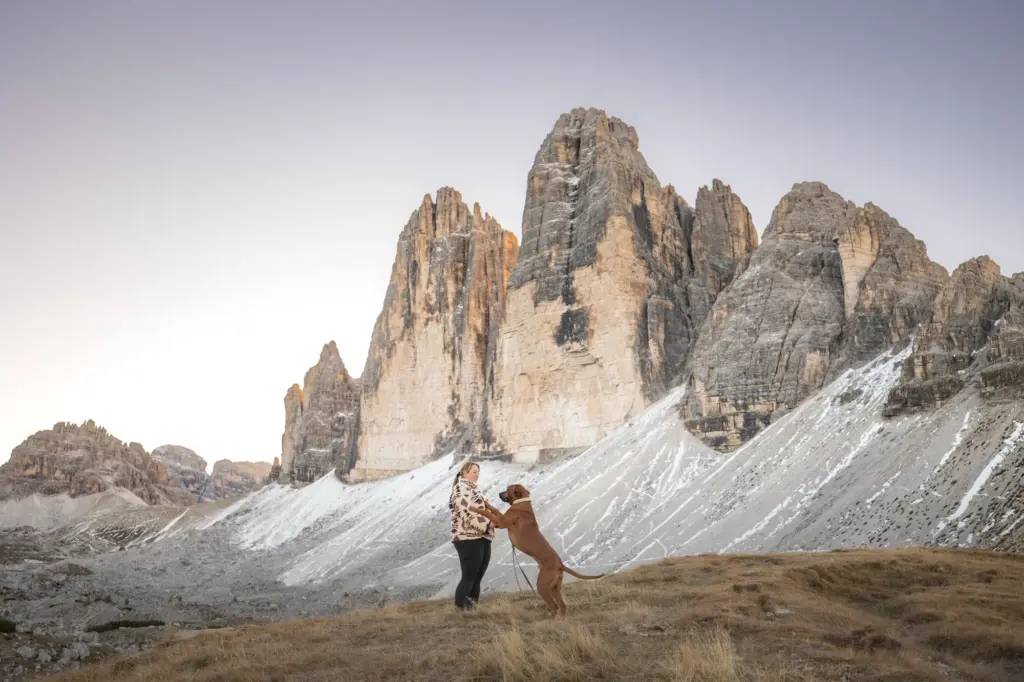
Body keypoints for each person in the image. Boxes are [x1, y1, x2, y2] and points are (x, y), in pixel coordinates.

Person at [449, 460, 498, 610]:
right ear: (464, 473)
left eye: (478, 472)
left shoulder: (476, 489)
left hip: (482, 536)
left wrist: (499, 520)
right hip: (466, 537)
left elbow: (487, 510)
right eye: (474, 472)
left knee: (477, 576)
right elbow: (466, 513)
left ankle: (471, 610)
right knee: (469, 576)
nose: (477, 475)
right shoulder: (460, 489)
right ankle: (460, 611)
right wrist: (488, 524)